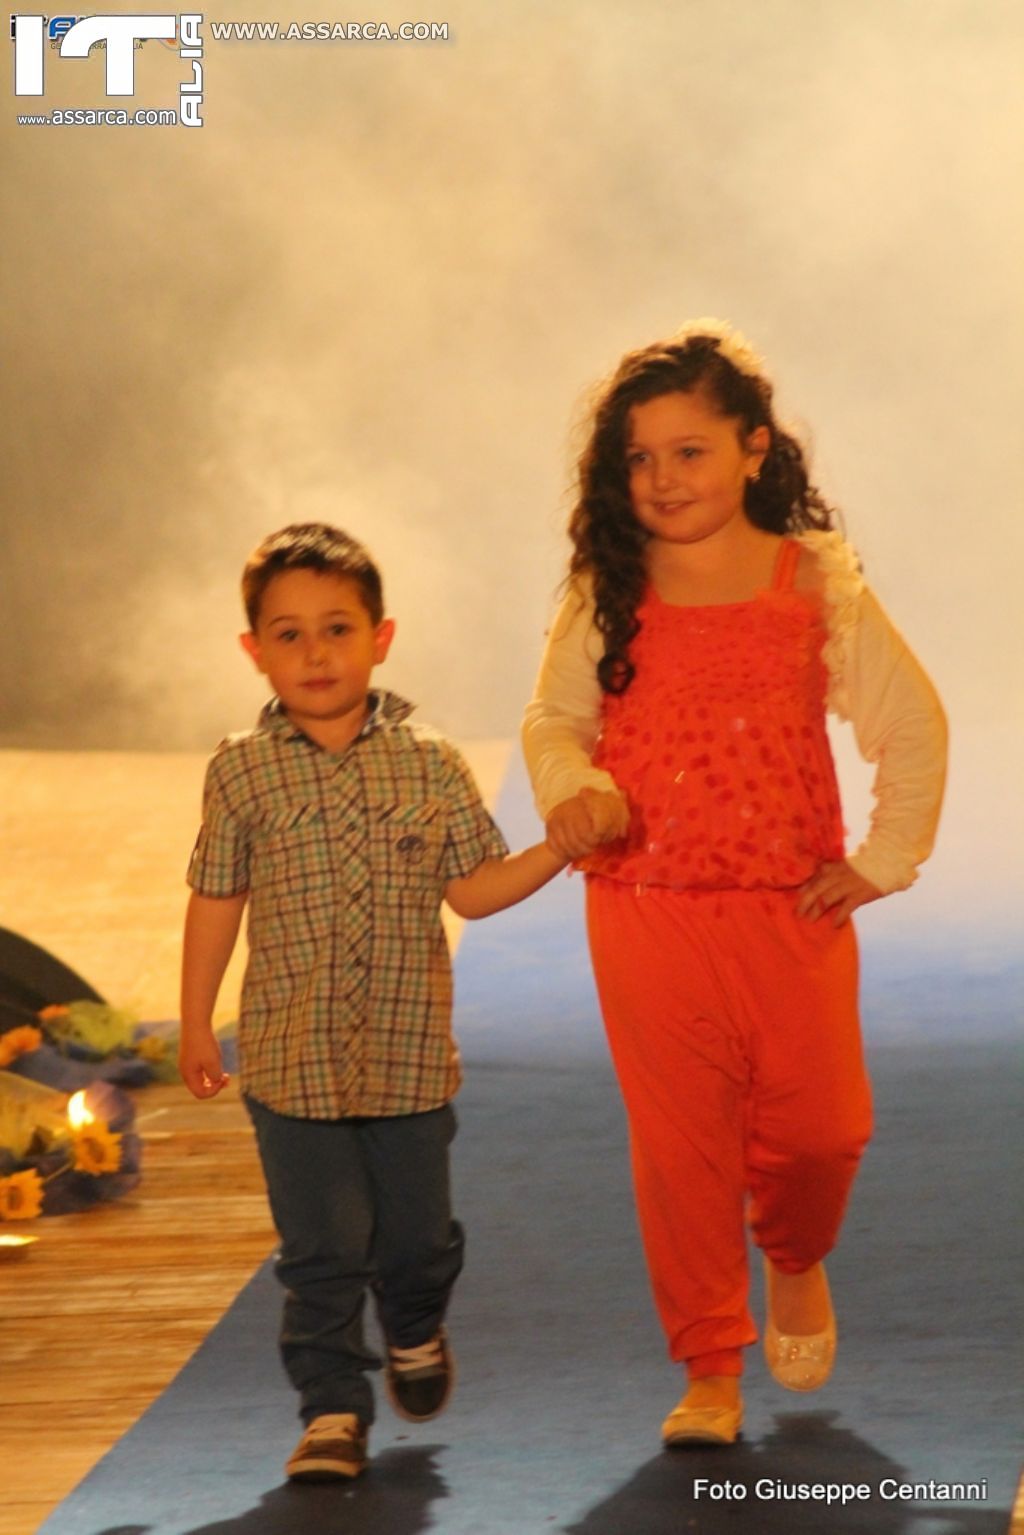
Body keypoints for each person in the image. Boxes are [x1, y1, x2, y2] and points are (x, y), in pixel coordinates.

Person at [521, 320, 947, 1448]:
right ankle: (709, 1362)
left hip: (787, 904)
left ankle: (795, 1252)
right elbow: (554, 716)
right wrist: (576, 785)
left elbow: (910, 722)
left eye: (689, 451)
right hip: (644, 905)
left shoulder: (811, 581)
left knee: (822, 1132)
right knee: (682, 1149)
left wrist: (883, 858)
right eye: (639, 458)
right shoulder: (609, 587)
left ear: (755, 449)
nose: (662, 479)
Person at [180, 523, 566, 1483]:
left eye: (338, 628)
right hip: (290, 1062)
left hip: (408, 1060)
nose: (316, 653)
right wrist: (195, 1021)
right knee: (320, 1249)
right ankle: (331, 1410)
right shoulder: (241, 769)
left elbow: (472, 888)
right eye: (289, 634)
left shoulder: (430, 763)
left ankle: (416, 1324)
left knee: (417, 1241)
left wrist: (561, 847)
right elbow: (217, 897)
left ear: (381, 637)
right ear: (254, 649)